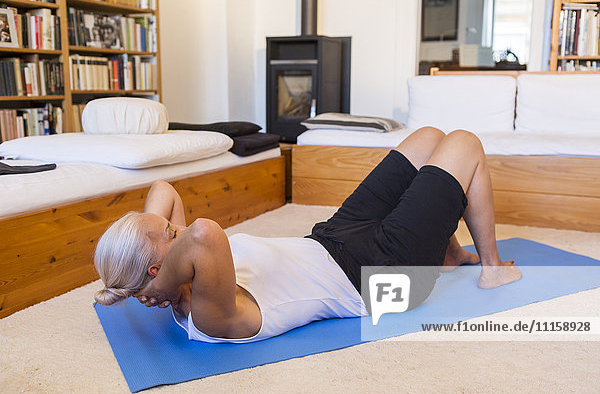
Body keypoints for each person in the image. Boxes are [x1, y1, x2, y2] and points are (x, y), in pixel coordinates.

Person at [94, 127, 521, 343]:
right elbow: (204, 233)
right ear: (162, 265)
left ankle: (449, 253)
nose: (178, 226)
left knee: (429, 138)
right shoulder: (210, 314)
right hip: (377, 280)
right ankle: (492, 269)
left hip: (332, 238)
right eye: (170, 232)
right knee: (464, 143)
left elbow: (162, 190)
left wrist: (151, 277)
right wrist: (162, 284)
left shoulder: (179, 267)